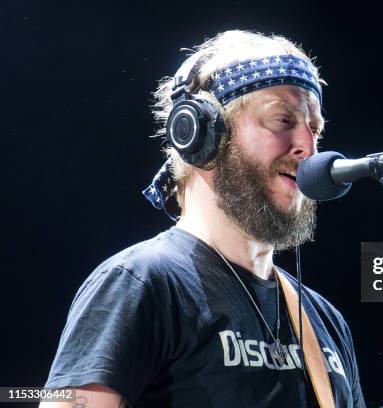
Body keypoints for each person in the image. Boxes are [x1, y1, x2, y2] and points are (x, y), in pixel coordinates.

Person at [42, 30, 365, 407]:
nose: (308, 147)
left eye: (315, 129)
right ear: (202, 134)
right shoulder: (140, 283)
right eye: (282, 120)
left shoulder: (325, 322)